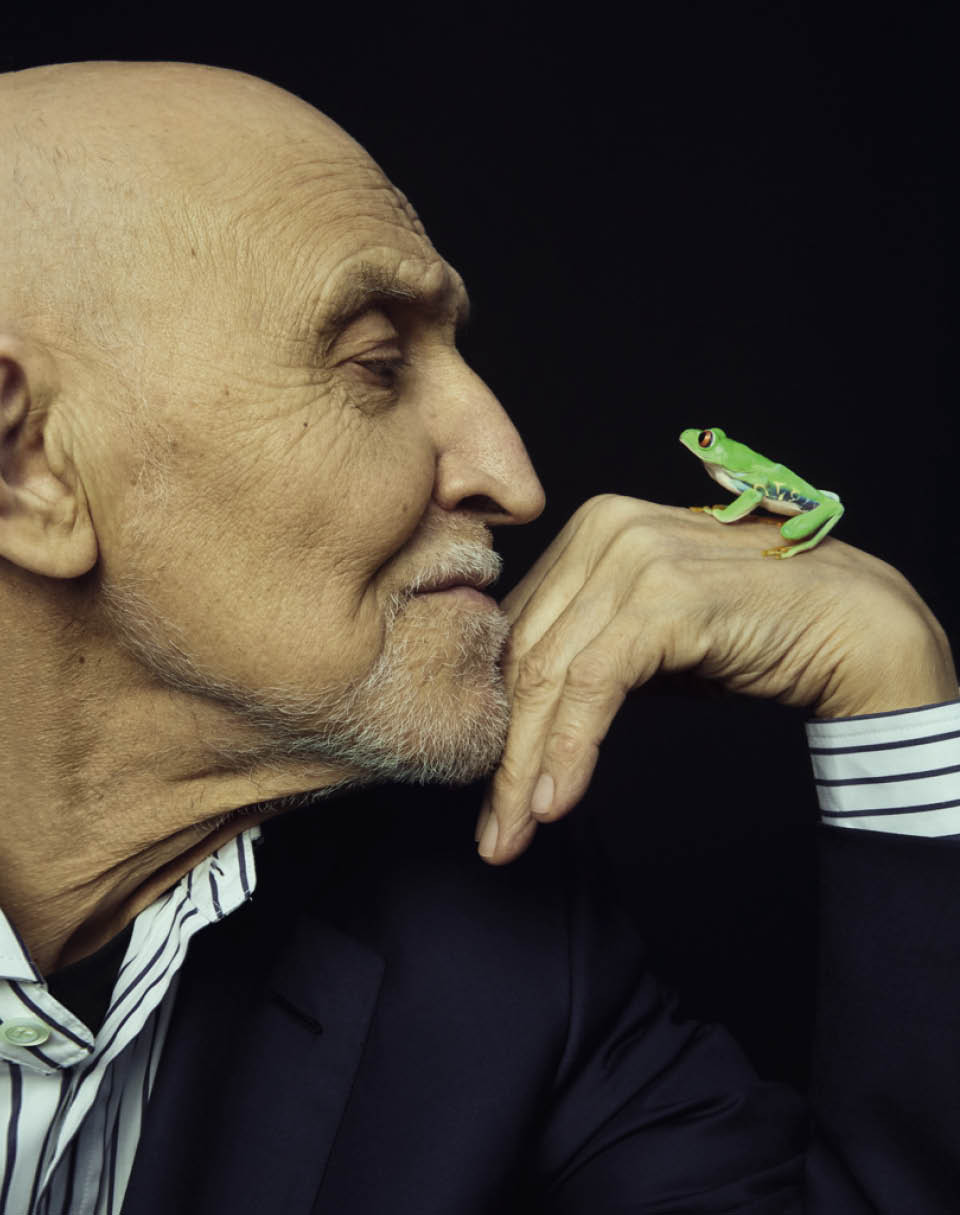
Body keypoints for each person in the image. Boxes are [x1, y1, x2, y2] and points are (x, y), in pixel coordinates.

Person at [0, 59, 956, 1215]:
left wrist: (897, 692)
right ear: (27, 470)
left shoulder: (495, 947)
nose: (514, 479)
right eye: (376, 364)